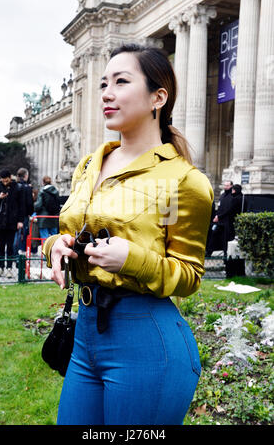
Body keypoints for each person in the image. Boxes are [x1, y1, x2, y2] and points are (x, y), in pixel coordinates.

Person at [42, 43, 213, 425]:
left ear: (158, 97)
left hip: (147, 342)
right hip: (85, 337)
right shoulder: (89, 164)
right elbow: (70, 231)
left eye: (121, 81)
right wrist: (56, 247)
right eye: (104, 83)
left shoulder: (183, 181)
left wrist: (130, 259)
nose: (106, 92)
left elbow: (188, 274)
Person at [0, 169, 24, 278]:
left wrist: (20, 220)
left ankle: (9, 268)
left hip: (12, 221)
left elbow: (21, 205)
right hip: (0, 221)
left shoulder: (17, 188)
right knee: (0, 246)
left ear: (10, 177)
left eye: (6, 180)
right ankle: (1, 268)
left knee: (10, 246)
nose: (4, 182)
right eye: (3, 180)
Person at [207, 180, 234, 258]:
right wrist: (216, 216)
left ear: (231, 186)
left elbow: (228, 209)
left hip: (226, 221)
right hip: (219, 221)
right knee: (214, 235)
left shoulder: (232, 196)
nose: (226, 187)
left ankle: (225, 254)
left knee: (225, 238)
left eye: (227, 186)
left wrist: (219, 216)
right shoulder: (222, 195)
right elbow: (219, 207)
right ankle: (209, 252)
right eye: (225, 185)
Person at [13, 167, 34, 256]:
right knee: (21, 234)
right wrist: (30, 213)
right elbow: (29, 203)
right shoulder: (27, 187)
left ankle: (12, 253)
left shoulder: (14, 186)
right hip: (24, 214)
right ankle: (18, 252)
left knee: (14, 234)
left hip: (13, 213)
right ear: (25, 176)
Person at [34, 176, 60, 241]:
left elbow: (38, 205)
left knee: (44, 238)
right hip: (53, 217)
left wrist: (34, 207)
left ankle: (45, 251)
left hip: (43, 218)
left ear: (43, 182)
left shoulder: (42, 191)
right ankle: (53, 251)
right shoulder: (56, 191)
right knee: (54, 238)